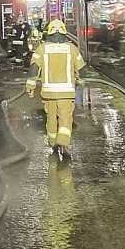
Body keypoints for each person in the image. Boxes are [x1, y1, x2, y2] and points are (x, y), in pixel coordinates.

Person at [25, 19, 86, 156]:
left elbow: (34, 68)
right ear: (64, 32)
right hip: (66, 93)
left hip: (49, 94)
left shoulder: (42, 48)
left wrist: (30, 85)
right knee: (65, 119)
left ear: (49, 32)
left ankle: (53, 144)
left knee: (51, 118)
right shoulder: (72, 48)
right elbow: (81, 68)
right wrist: (81, 81)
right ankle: (63, 143)